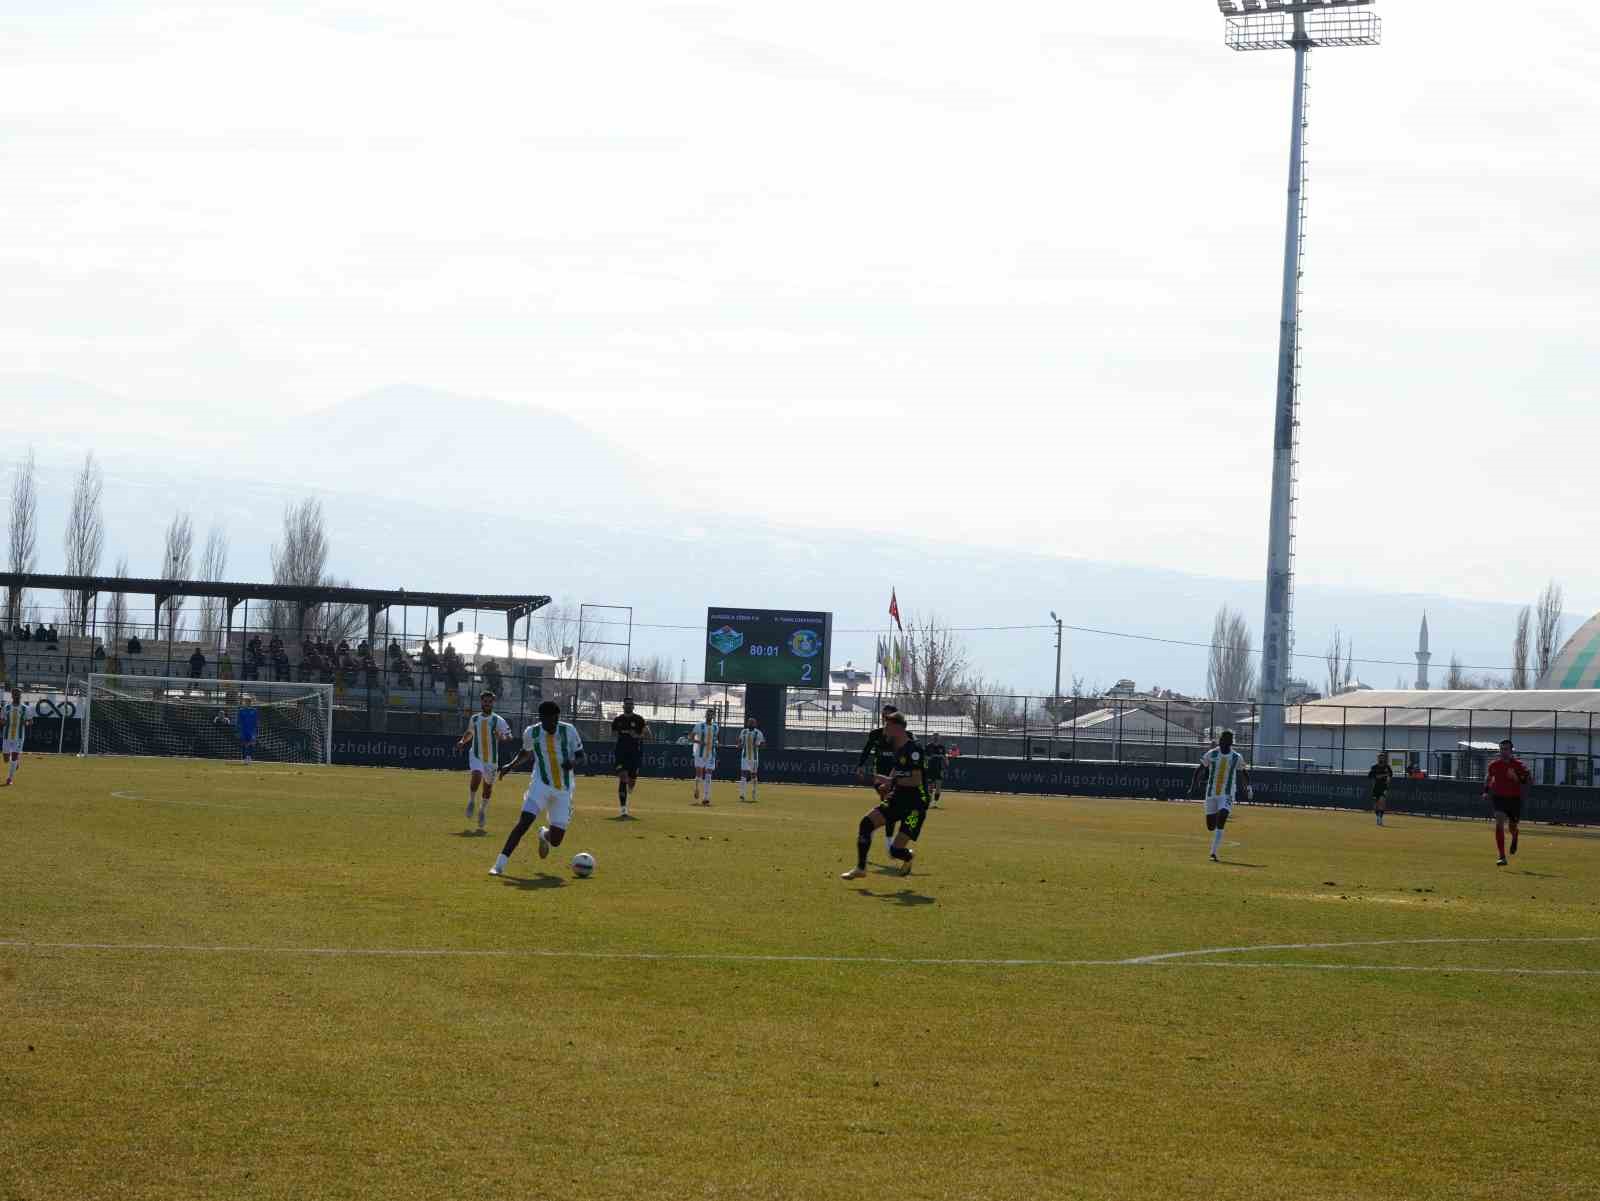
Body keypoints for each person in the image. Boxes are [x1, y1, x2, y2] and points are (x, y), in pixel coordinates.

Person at [490, 700, 585, 876]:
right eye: (550, 721)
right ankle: (499, 864)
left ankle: (544, 835)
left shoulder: (569, 730)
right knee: (524, 822)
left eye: (556, 720)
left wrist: (572, 762)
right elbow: (525, 753)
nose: (553, 725)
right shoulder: (531, 732)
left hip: (563, 790)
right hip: (540, 785)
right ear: (541, 718)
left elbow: (581, 756)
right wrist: (510, 766)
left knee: (556, 841)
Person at [841, 713, 929, 880]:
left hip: (915, 807)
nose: (884, 730)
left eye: (887, 726)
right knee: (866, 823)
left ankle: (908, 856)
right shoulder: (898, 748)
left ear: (897, 728)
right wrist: (887, 785)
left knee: (895, 851)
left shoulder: (914, 749)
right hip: (898, 798)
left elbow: (916, 780)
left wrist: (891, 780)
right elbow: (896, 770)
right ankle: (861, 868)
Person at [457, 691, 512, 832]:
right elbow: (469, 733)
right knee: (476, 774)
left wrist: (501, 737)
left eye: (489, 701)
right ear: (481, 702)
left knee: (487, 788)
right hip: (476, 754)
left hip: (492, 760)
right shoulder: (475, 719)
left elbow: (509, 736)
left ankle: (482, 810)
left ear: (493, 703)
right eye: (485, 701)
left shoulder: (498, 720)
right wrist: (463, 741)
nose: (487, 704)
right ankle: (471, 801)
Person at [1192, 729, 1250, 862]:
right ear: (1220, 740)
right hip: (1211, 793)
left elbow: (1243, 772)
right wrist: (1193, 785)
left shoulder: (1236, 757)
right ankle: (1217, 817)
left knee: (1223, 816)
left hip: (1228, 793)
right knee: (1210, 826)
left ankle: (1213, 852)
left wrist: (1248, 787)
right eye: (1223, 739)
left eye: (1227, 740)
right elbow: (1200, 768)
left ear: (1231, 742)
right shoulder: (1212, 754)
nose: (1224, 741)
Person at [857, 705, 901, 854]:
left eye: (890, 716)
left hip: (895, 777)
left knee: (889, 808)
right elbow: (866, 750)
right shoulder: (875, 734)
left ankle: (872, 826)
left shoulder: (900, 736)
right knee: (889, 805)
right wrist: (861, 765)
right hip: (881, 777)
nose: (887, 719)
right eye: (885, 716)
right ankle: (889, 843)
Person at [1484, 738, 1532, 866]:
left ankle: (1515, 835)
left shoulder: (1519, 765)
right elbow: (1489, 778)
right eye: (1501, 749)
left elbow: (1526, 780)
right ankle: (1501, 856)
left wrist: (1516, 777)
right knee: (1499, 820)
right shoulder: (1493, 765)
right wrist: (1486, 791)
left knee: (1512, 827)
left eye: (1506, 749)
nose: (1503, 752)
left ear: (1511, 751)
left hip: (1514, 799)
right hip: (1499, 797)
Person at [610, 697, 650, 818]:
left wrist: (637, 735)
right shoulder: (618, 720)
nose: (629, 706)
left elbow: (648, 734)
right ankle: (623, 810)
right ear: (623, 706)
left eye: (631, 704)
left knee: (631, 781)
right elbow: (612, 734)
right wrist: (618, 733)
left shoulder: (639, 720)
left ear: (633, 706)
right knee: (623, 777)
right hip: (621, 753)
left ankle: (629, 789)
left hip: (635, 753)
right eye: (627, 704)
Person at [1, 687, 31, 787]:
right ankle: (16, 762)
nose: (16, 696)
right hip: (7, 736)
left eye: (18, 694)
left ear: (21, 695)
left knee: (14, 756)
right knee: (6, 759)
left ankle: (9, 778)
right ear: (12, 695)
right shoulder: (6, 707)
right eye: (14, 694)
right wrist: (3, 722)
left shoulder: (25, 708)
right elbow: (1, 720)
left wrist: (26, 723)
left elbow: (30, 721)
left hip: (19, 737)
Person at [691, 706, 720, 805]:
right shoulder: (699, 725)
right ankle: (696, 789)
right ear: (705, 715)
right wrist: (699, 742)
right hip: (700, 753)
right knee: (699, 774)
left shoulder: (716, 727)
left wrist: (716, 742)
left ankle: (706, 797)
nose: (710, 715)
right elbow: (691, 737)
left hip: (711, 754)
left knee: (708, 775)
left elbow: (715, 739)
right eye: (708, 713)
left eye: (711, 713)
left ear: (713, 716)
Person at [738, 716, 765, 803]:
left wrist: (758, 745)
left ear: (755, 724)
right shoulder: (744, 731)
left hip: (754, 758)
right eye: (749, 722)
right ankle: (742, 794)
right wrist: (739, 745)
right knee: (743, 774)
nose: (750, 724)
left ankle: (754, 792)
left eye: (752, 722)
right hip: (744, 757)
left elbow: (763, 744)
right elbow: (739, 741)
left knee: (753, 775)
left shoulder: (758, 733)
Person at [1368, 752, 1394, 827]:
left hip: (1384, 788)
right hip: (1376, 788)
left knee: (1382, 802)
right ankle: (1377, 817)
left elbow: (1390, 775)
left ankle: (1380, 818)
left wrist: (1387, 780)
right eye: (1379, 757)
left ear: (1384, 758)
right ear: (1377, 758)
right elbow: (1370, 776)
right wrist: (1382, 775)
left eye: (1382, 757)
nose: (1381, 758)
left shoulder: (1387, 767)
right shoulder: (1374, 767)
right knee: (1375, 805)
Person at [923, 734, 947, 807]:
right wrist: (930, 757)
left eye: (937, 737)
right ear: (932, 738)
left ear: (939, 738)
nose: (936, 738)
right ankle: (929, 801)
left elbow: (944, 757)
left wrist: (945, 765)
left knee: (938, 786)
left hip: (939, 769)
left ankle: (935, 803)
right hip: (930, 769)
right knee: (930, 786)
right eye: (934, 737)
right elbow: (925, 757)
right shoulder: (928, 746)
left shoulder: (942, 747)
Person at [237, 694, 260, 764]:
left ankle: (249, 757)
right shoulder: (241, 711)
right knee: (244, 744)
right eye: (246, 701)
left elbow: (257, 721)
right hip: (243, 730)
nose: (247, 703)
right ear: (244, 702)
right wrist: (238, 730)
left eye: (249, 701)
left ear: (251, 702)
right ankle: (244, 758)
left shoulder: (255, 710)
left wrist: (256, 730)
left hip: (252, 730)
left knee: (251, 744)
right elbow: (239, 721)